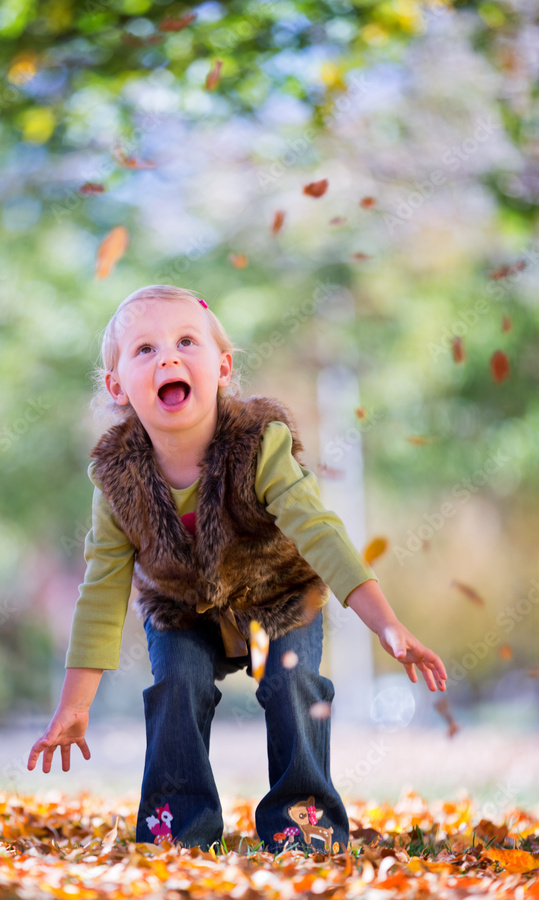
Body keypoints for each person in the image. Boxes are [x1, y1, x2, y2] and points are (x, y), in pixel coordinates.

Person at [27, 284, 448, 856]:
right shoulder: (117, 480)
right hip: (181, 608)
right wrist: (74, 708)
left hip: (278, 595)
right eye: (145, 350)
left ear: (222, 367)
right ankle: (177, 832)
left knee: (292, 682)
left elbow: (319, 530)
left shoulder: (259, 444)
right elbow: (102, 590)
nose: (168, 358)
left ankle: (305, 830)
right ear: (118, 386)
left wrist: (387, 624)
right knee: (178, 683)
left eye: (185, 342)